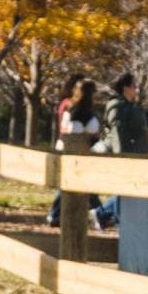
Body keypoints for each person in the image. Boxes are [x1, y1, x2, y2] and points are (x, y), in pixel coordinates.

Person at [93, 72, 148, 230]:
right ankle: (112, 218)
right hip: (124, 154)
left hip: (136, 154)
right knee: (124, 188)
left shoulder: (131, 105)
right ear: (125, 88)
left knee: (131, 188)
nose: (136, 89)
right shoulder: (117, 106)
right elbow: (117, 132)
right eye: (133, 86)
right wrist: (121, 156)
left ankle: (103, 214)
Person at [48, 78, 99, 228]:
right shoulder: (75, 111)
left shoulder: (72, 110)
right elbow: (70, 132)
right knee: (69, 184)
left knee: (74, 185)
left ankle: (57, 214)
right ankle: (56, 213)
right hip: (72, 151)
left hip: (74, 151)